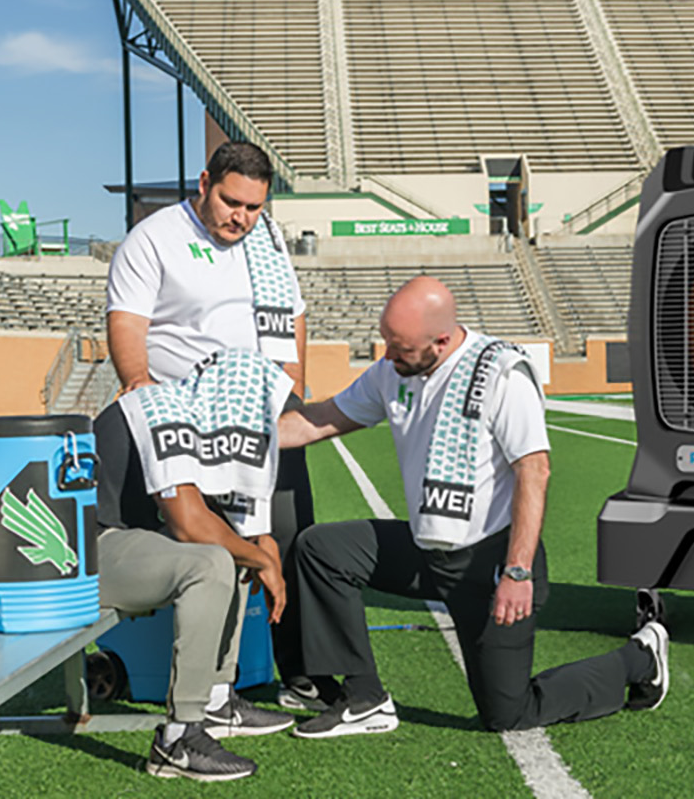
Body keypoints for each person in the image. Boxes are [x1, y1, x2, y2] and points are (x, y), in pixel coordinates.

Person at [276, 276, 670, 737]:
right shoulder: (393, 371)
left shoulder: (502, 373)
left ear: (441, 341)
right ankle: (364, 698)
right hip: (428, 551)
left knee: (508, 714)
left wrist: (517, 573)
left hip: (491, 566)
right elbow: (322, 420)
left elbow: (534, 471)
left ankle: (637, 658)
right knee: (322, 549)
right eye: (386, 342)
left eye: (399, 347)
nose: (387, 355)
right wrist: (243, 440)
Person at [98, 141, 315, 781]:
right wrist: (139, 380)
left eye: (253, 206)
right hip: (177, 416)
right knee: (217, 550)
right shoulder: (155, 237)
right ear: (203, 183)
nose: (241, 217)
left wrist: (291, 385)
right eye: (230, 201)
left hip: (246, 416)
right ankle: (188, 716)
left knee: (259, 540)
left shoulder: (268, 246)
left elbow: (293, 320)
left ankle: (220, 700)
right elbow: (128, 318)